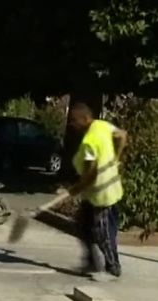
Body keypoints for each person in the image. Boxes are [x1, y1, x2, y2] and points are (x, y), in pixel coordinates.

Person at [62, 103, 128, 282]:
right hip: (95, 194)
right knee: (82, 226)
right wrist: (117, 155)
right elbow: (122, 135)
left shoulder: (90, 140)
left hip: (102, 194)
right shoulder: (103, 125)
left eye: (74, 121)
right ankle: (91, 263)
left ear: (84, 118)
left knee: (103, 233)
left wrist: (75, 189)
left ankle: (113, 268)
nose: (72, 125)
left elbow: (90, 175)